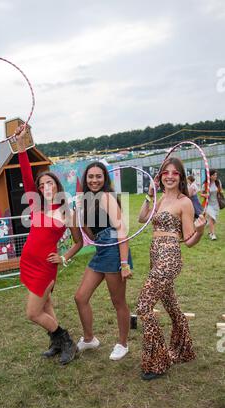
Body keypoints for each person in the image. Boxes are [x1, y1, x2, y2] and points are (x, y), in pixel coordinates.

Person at [16, 126, 83, 365]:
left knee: (33, 313)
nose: (46, 187)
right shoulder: (36, 206)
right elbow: (25, 174)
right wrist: (22, 148)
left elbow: (79, 242)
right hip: (29, 262)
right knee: (46, 305)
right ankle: (56, 344)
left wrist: (64, 258)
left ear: (56, 185)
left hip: (46, 266)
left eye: (50, 183)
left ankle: (66, 342)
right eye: (42, 184)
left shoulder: (66, 211)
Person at [137, 157, 206, 381]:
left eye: (175, 173)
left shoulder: (184, 202)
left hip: (169, 257)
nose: (169, 176)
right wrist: (149, 194)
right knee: (172, 307)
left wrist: (200, 230)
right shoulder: (158, 199)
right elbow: (141, 218)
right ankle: (184, 349)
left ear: (181, 177)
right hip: (155, 255)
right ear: (160, 176)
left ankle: (158, 360)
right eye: (165, 172)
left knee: (144, 306)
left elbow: (188, 240)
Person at [74, 162, 133, 361]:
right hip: (101, 249)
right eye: (91, 177)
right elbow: (91, 235)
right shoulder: (87, 200)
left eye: (99, 176)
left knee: (118, 301)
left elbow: (121, 230)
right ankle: (90, 339)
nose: (94, 180)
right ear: (86, 179)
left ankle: (123, 344)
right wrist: (81, 218)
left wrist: (124, 263)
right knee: (80, 297)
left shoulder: (107, 197)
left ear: (105, 179)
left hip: (114, 250)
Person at [201, 169, 223, 240]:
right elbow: (201, 193)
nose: (215, 176)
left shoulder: (218, 182)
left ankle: (209, 230)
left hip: (216, 204)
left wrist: (220, 191)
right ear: (210, 176)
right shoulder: (206, 184)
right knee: (211, 218)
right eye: (214, 175)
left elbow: (220, 190)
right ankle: (213, 234)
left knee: (213, 220)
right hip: (209, 204)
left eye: (216, 175)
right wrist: (205, 195)